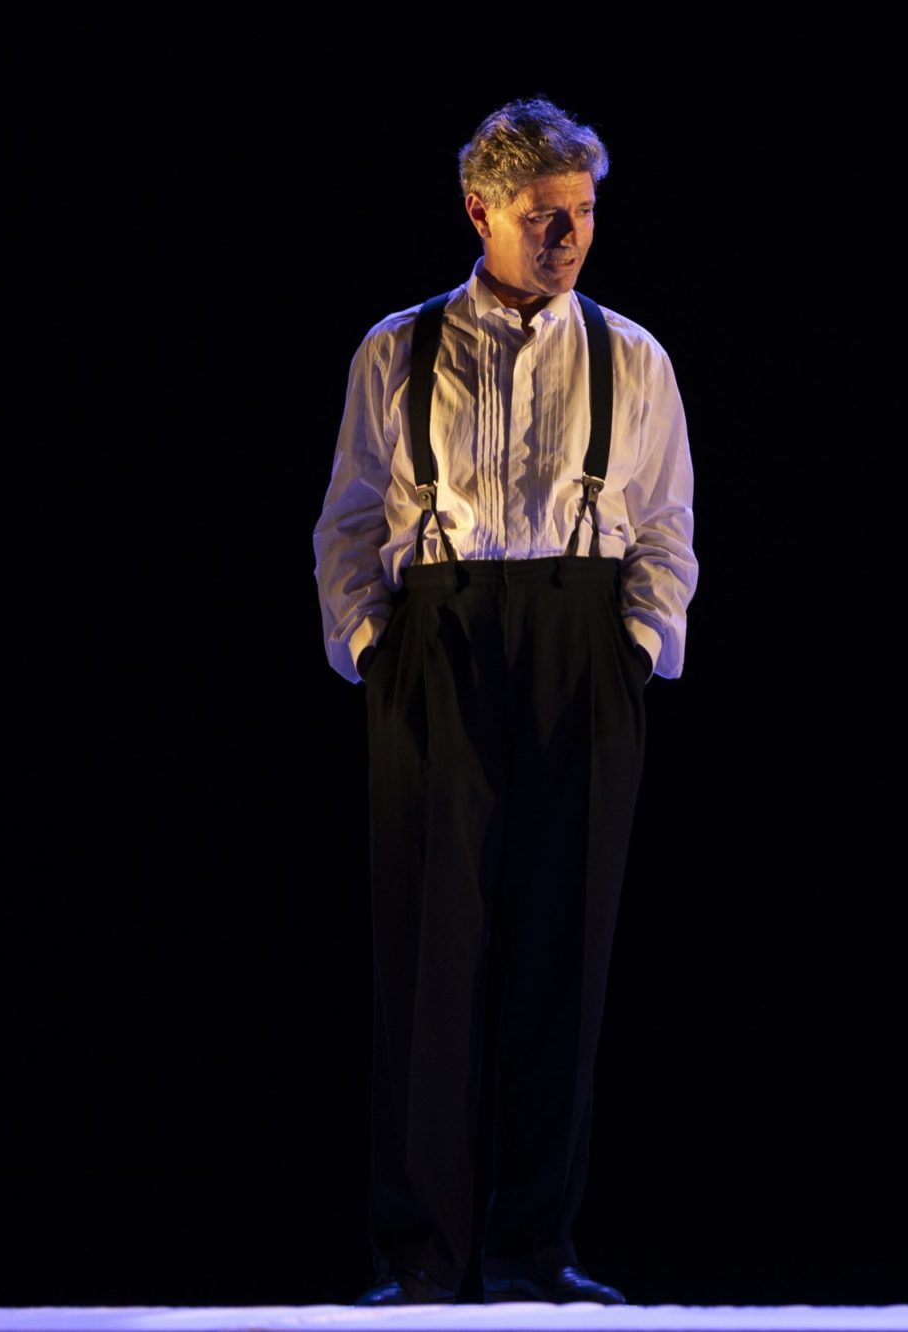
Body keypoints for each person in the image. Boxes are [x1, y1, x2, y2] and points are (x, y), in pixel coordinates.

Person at [312, 97, 696, 1307]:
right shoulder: (396, 348)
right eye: (542, 216)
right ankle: (420, 1257)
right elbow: (348, 519)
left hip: (579, 639)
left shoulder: (631, 358)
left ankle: (535, 1253)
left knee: (561, 948)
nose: (567, 236)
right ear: (478, 210)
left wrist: (635, 646)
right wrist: (371, 645)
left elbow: (665, 526)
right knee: (429, 952)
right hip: (438, 639)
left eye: (581, 212)